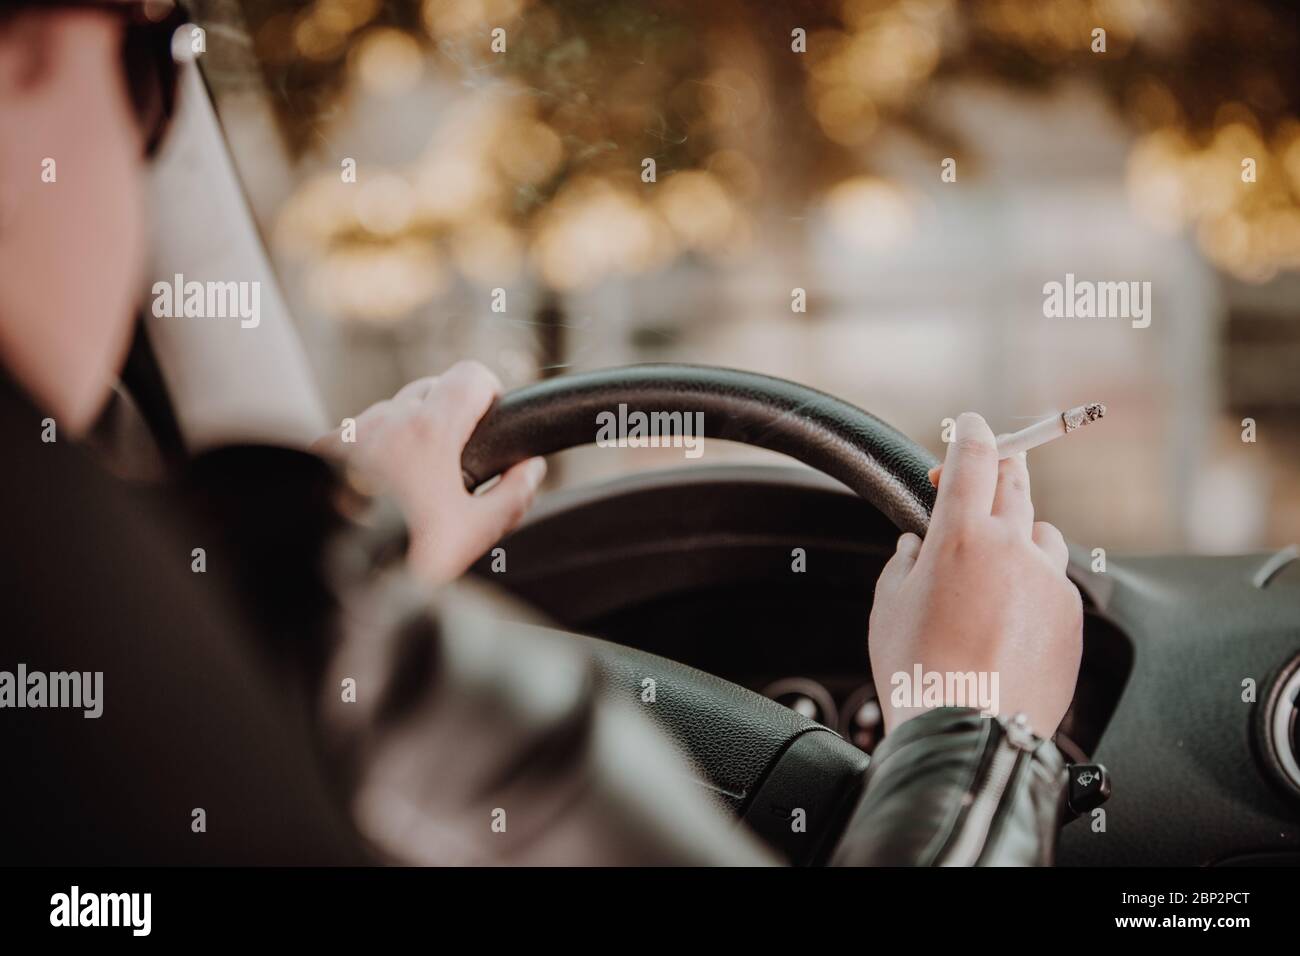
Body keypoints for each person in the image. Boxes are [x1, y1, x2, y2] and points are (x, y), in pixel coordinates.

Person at [0, 0, 1082, 865]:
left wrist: (334, 576)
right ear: (27, 63)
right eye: (155, 57)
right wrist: (974, 729)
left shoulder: (127, 664)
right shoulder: (446, 731)